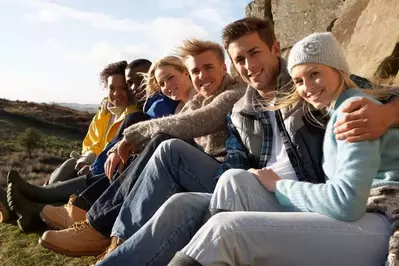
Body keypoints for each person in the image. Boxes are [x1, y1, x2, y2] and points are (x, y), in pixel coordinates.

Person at [96, 18, 399, 266]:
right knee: (189, 200)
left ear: (274, 48)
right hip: (272, 194)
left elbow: (373, 94)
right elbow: (234, 160)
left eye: (255, 53)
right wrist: (232, 177)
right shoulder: (242, 109)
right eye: (240, 59)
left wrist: (387, 114)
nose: (249, 65)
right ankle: (115, 254)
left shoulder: (308, 79)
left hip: (316, 194)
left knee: (176, 158)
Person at [38, 40, 246, 259]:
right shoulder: (199, 101)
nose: (202, 76)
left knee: (167, 147)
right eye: (196, 70)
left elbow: (198, 121)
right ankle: (101, 228)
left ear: (224, 67)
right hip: (205, 174)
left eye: (208, 68)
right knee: (160, 142)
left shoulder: (234, 93)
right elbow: (181, 122)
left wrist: (131, 137)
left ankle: (100, 227)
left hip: (226, 179)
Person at [5, 60, 148, 231]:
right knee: (71, 164)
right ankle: (31, 206)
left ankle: (34, 206)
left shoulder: (133, 116)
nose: (116, 93)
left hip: (104, 169)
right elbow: (90, 142)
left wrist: (92, 162)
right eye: (111, 88)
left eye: (123, 88)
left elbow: (113, 147)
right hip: (93, 163)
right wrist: (88, 157)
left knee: (78, 172)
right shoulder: (103, 113)